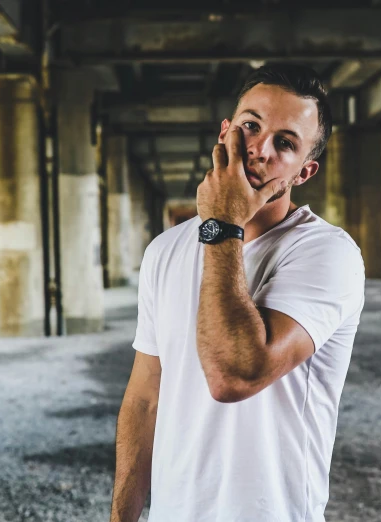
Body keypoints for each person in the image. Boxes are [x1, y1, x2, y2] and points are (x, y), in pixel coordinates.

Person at [109, 64, 366, 522]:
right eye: (251, 126)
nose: (260, 149)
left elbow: (234, 376)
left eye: (285, 143)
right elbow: (145, 397)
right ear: (226, 131)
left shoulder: (328, 254)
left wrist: (223, 225)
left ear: (305, 172)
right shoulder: (165, 249)